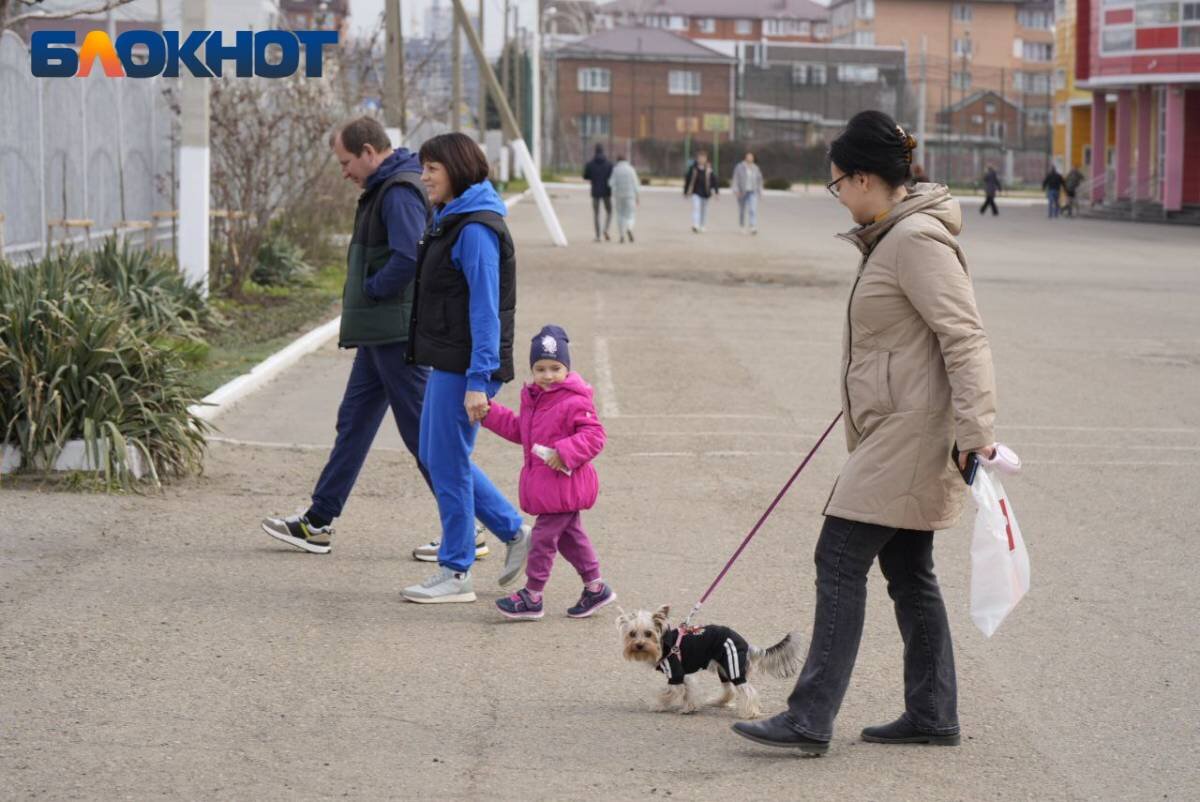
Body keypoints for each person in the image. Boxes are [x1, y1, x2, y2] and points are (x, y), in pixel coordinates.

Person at [731, 111, 997, 755]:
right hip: (895, 423)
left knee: (840, 555)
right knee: (908, 569)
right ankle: (932, 714)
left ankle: (809, 716)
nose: (838, 196)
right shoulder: (893, 235)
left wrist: (976, 429)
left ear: (864, 179)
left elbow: (964, 336)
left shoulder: (915, 241)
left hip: (912, 433)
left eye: (837, 184)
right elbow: (902, 339)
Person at [261, 116, 455, 557]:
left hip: (395, 332)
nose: (343, 171)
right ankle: (318, 522)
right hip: (378, 334)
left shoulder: (399, 191)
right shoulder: (385, 187)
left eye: (346, 161)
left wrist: (371, 290)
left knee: (424, 435)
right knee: (353, 424)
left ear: (369, 151)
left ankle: (468, 527)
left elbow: (409, 257)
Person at [401, 132, 531, 604]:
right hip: (451, 358)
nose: (424, 177)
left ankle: (456, 572)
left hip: (468, 364)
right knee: (438, 457)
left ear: (455, 169)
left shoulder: (475, 228)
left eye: (432, 169)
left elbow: (485, 310)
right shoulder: (452, 218)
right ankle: (515, 532)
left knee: (448, 463)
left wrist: (479, 380)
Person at [481, 325, 616, 620]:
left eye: (555, 368)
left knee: (542, 540)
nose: (548, 375)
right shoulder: (534, 398)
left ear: (566, 368)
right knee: (570, 537)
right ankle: (596, 587)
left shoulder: (575, 399)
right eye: (540, 368)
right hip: (548, 488)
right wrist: (490, 414)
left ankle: (533, 594)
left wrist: (564, 452)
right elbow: (521, 431)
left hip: (564, 485)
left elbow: (595, 436)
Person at [583, 143, 614, 242]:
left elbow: (585, 176)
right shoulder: (609, 164)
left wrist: (593, 178)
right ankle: (606, 229)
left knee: (596, 214)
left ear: (595, 151)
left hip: (595, 191)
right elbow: (612, 177)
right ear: (603, 151)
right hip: (606, 191)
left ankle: (598, 236)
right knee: (609, 211)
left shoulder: (590, 164)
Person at [683, 149, 719, 233]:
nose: (701, 160)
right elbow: (688, 180)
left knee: (704, 210)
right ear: (697, 158)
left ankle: (702, 225)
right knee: (696, 208)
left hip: (706, 193)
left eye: (703, 158)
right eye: (700, 158)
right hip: (696, 192)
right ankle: (695, 225)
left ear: (706, 159)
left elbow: (714, 180)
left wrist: (716, 192)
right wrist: (685, 192)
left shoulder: (709, 169)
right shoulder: (693, 168)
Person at [609, 154, 640, 243]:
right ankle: (629, 228)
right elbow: (635, 184)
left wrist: (614, 192)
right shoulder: (631, 169)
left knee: (620, 215)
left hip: (619, 196)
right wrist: (637, 196)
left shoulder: (615, 170)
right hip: (630, 196)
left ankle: (622, 235)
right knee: (631, 215)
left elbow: (611, 183)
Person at [733, 151, 764, 234]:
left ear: (753, 158)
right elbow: (735, 179)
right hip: (742, 192)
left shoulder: (756, 168)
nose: (750, 158)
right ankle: (742, 225)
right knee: (742, 210)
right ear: (745, 157)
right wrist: (736, 190)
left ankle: (752, 226)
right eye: (748, 156)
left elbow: (759, 180)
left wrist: (760, 191)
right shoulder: (739, 167)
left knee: (752, 209)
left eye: (751, 156)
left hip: (752, 191)